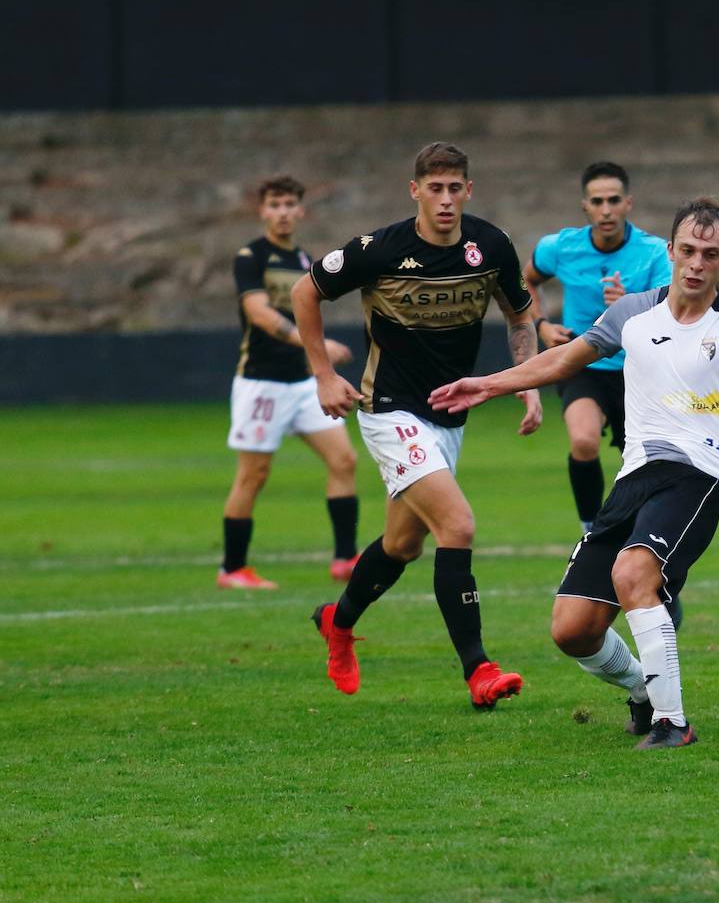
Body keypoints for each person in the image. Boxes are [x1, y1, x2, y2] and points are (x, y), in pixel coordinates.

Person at [430, 197, 719, 749]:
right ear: (671, 251)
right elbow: (564, 360)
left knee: (634, 575)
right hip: (634, 477)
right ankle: (643, 690)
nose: (696, 263)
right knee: (573, 630)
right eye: (687, 250)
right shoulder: (634, 313)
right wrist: (489, 384)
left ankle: (672, 722)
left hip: (698, 477)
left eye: (710, 254)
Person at [291, 142, 543, 710]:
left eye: (456, 188)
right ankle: (479, 669)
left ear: (469, 191)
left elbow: (520, 314)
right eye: (435, 188)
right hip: (389, 411)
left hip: (449, 414)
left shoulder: (492, 245)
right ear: (415, 192)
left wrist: (524, 382)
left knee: (403, 545)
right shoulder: (380, 249)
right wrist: (323, 374)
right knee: (457, 525)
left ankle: (337, 620)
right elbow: (304, 290)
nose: (446, 200)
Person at [219, 175, 359, 591]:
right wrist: (317, 344)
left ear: (301, 210)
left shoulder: (303, 260)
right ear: (262, 210)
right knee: (253, 476)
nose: (282, 212)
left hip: (302, 383)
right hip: (261, 384)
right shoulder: (251, 257)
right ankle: (232, 569)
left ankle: (345, 559)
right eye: (274, 205)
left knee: (344, 461)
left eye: (289, 204)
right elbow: (260, 314)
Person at [524, 161, 672, 535]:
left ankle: (646, 543)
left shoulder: (654, 252)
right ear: (585, 207)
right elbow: (525, 281)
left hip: (639, 371)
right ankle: (591, 530)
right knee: (584, 439)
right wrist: (541, 325)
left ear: (628, 204)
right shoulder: (560, 247)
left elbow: (674, 313)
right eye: (597, 201)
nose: (606, 210)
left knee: (641, 463)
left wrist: (630, 304)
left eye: (614, 200)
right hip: (584, 363)